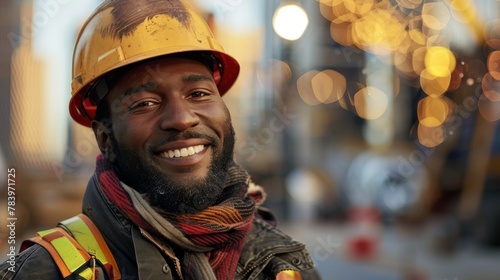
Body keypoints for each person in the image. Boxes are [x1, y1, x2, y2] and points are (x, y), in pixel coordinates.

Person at [0, 0, 320, 279]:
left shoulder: (284, 264)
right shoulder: (43, 271)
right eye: (145, 103)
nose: (181, 118)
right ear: (104, 138)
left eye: (198, 93)